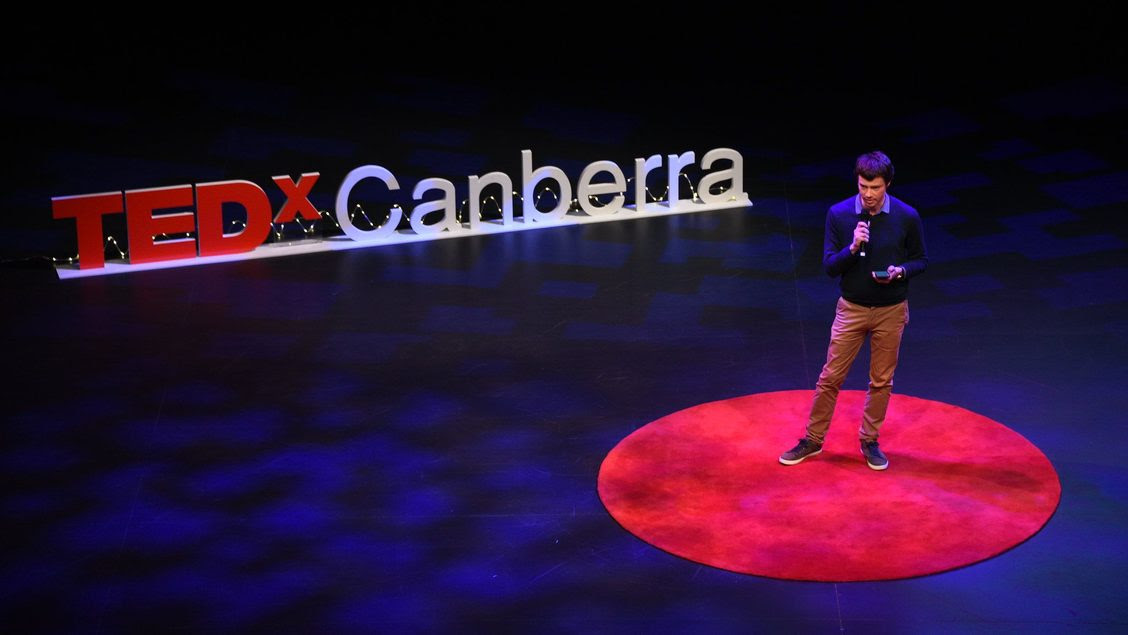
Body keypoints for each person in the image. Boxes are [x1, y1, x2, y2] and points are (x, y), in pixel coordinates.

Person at [779, 151, 927, 470]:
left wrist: (900, 271)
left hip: (891, 309)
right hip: (852, 308)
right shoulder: (839, 214)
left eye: (875, 187)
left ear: (887, 184)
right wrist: (853, 247)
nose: (868, 194)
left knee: (881, 381)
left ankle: (869, 440)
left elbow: (921, 260)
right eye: (863, 186)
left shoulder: (907, 216)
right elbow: (830, 267)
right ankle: (813, 440)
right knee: (830, 377)